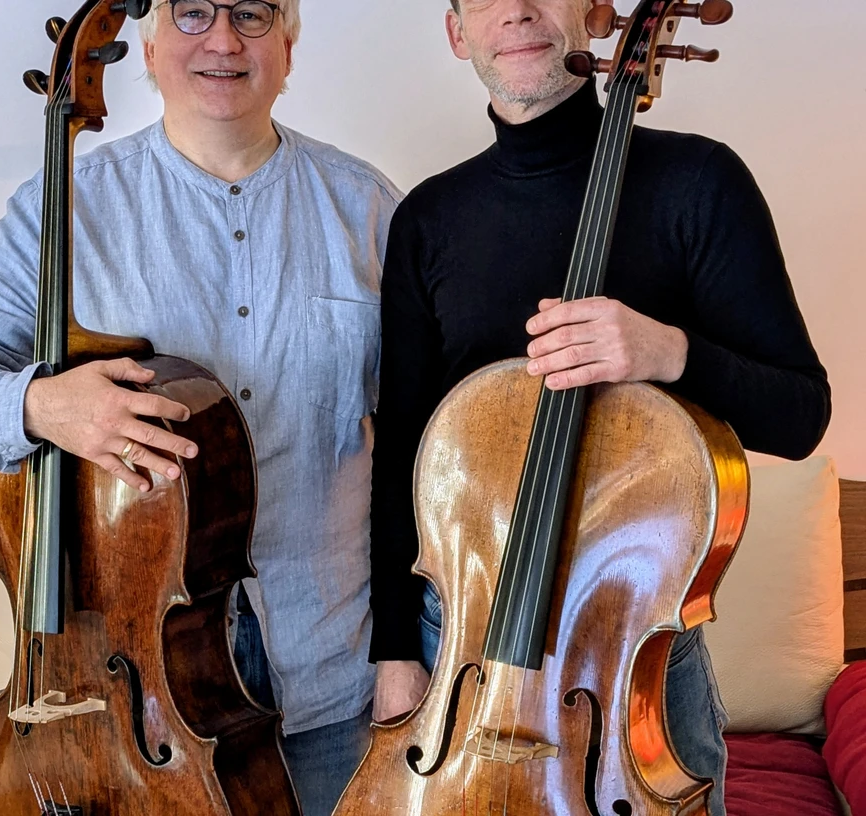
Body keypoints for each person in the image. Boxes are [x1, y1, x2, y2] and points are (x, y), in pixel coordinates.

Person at [0, 2, 401, 813]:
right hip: (136, 707)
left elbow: (420, 450)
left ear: (288, 45)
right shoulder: (66, 207)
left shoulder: (368, 209)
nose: (223, 39)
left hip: (329, 690)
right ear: (146, 43)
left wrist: (408, 655)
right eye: (193, 12)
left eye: (253, 13)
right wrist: (41, 405)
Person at [368, 2, 831, 814]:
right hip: (463, 642)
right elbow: (402, 450)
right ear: (457, 33)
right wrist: (395, 651)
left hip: (632, 654)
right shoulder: (428, 220)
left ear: (593, 13)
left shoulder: (699, 183)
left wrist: (669, 353)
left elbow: (802, 415)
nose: (517, 10)